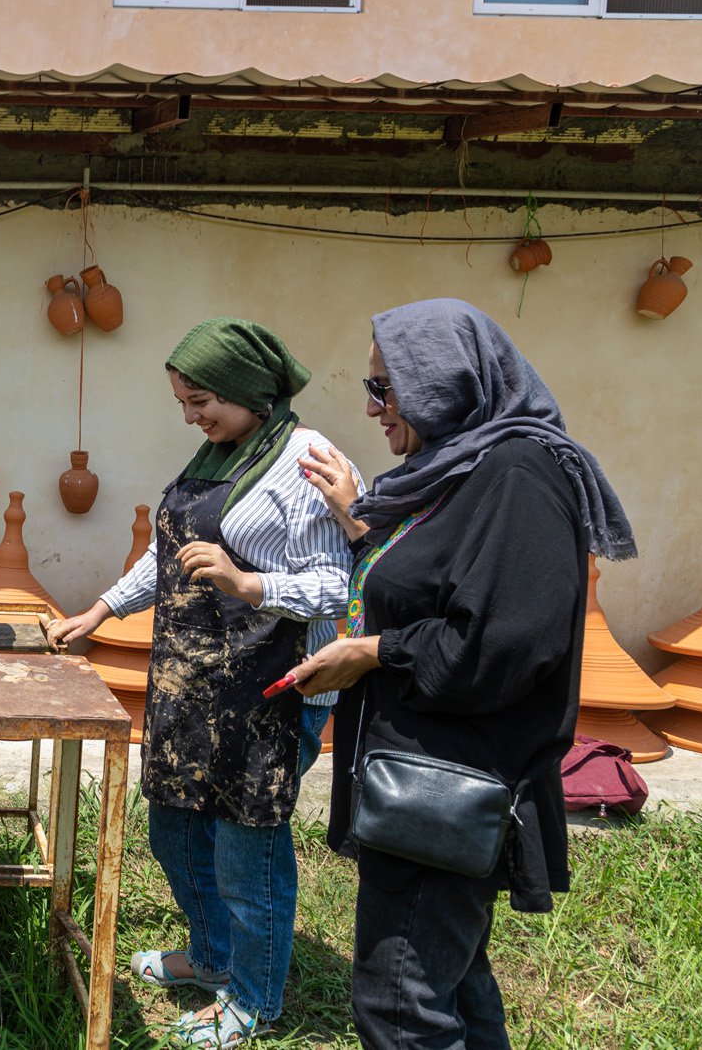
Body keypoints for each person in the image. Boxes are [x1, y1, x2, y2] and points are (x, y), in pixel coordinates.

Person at [291, 298, 634, 1050]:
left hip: (450, 782)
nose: (372, 407)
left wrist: (371, 652)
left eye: (386, 388)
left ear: (442, 380)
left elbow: (501, 644)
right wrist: (364, 522)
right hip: (424, 777)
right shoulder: (457, 471)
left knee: (400, 1003)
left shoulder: (519, 475)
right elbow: (433, 583)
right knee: (453, 984)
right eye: (370, 387)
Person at [48, 318, 358, 1047]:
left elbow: (335, 585)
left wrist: (248, 582)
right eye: (184, 402)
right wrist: (98, 609)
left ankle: (252, 998)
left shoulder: (308, 460)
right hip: (191, 686)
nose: (191, 416)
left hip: (269, 694)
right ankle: (214, 956)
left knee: (248, 851)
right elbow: (171, 558)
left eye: (202, 400)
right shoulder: (220, 453)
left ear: (250, 390)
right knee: (174, 829)